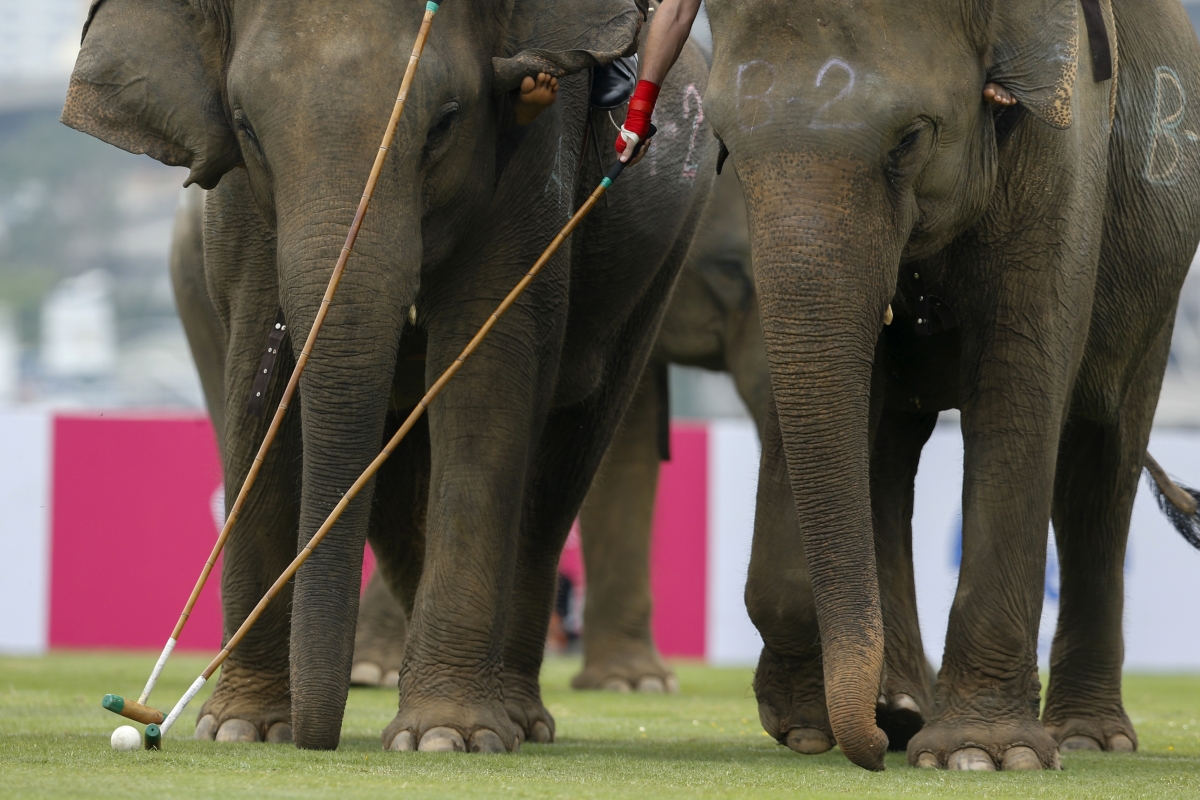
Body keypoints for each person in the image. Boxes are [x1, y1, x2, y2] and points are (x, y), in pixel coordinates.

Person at [513, 1, 1018, 160]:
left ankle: (981, 62)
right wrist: (640, 111)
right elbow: (677, 9)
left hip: (873, 57)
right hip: (782, 85)